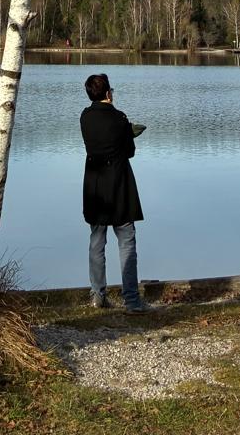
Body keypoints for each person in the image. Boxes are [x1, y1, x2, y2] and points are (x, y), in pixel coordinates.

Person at [80, 72, 148, 311]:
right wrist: (128, 132)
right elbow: (129, 152)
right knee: (126, 241)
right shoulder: (119, 119)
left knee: (97, 240)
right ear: (108, 93)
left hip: (95, 186)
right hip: (119, 186)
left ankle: (98, 296)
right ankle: (132, 301)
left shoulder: (85, 117)